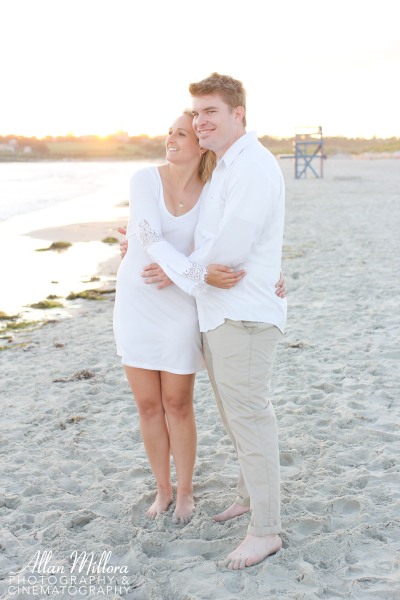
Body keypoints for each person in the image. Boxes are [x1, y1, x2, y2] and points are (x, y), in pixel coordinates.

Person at [141, 73, 287, 569]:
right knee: (235, 416)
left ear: (238, 114)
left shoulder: (253, 168)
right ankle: (249, 497)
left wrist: (177, 268)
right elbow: (206, 248)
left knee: (250, 419)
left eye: (211, 112)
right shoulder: (224, 167)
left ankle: (266, 529)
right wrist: (172, 257)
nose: (200, 121)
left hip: (243, 314)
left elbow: (229, 251)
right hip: (220, 312)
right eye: (196, 113)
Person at [114, 111, 255, 524]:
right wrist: (185, 268)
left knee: (177, 402)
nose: (171, 140)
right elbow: (146, 233)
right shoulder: (144, 179)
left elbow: (221, 246)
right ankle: (163, 490)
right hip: (137, 298)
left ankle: (187, 491)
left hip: (179, 303)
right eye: (169, 133)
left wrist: (270, 273)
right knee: (147, 405)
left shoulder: (213, 190)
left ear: (200, 144)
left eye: (181, 134)